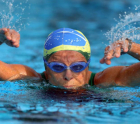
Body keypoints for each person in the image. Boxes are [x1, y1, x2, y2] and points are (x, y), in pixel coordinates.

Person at [0, 27, 140, 89]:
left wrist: (131, 47)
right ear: (46, 67)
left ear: (88, 65)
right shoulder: (29, 77)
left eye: (77, 67)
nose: (68, 76)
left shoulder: (106, 80)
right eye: (57, 67)